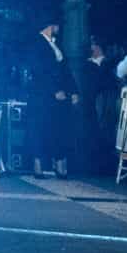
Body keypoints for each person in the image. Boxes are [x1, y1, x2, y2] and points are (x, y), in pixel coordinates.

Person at [25, 17, 78, 178]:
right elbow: (39, 71)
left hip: (58, 95)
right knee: (39, 129)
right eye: (57, 25)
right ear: (51, 25)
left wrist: (73, 90)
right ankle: (38, 166)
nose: (59, 28)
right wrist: (54, 90)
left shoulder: (56, 44)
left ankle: (59, 163)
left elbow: (65, 70)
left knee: (59, 128)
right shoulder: (36, 43)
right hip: (41, 96)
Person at [79, 39, 122, 170]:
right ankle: (94, 162)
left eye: (93, 44)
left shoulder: (109, 64)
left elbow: (113, 82)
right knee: (93, 130)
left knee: (106, 129)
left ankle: (106, 162)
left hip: (106, 100)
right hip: (91, 102)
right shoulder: (86, 65)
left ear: (98, 47)